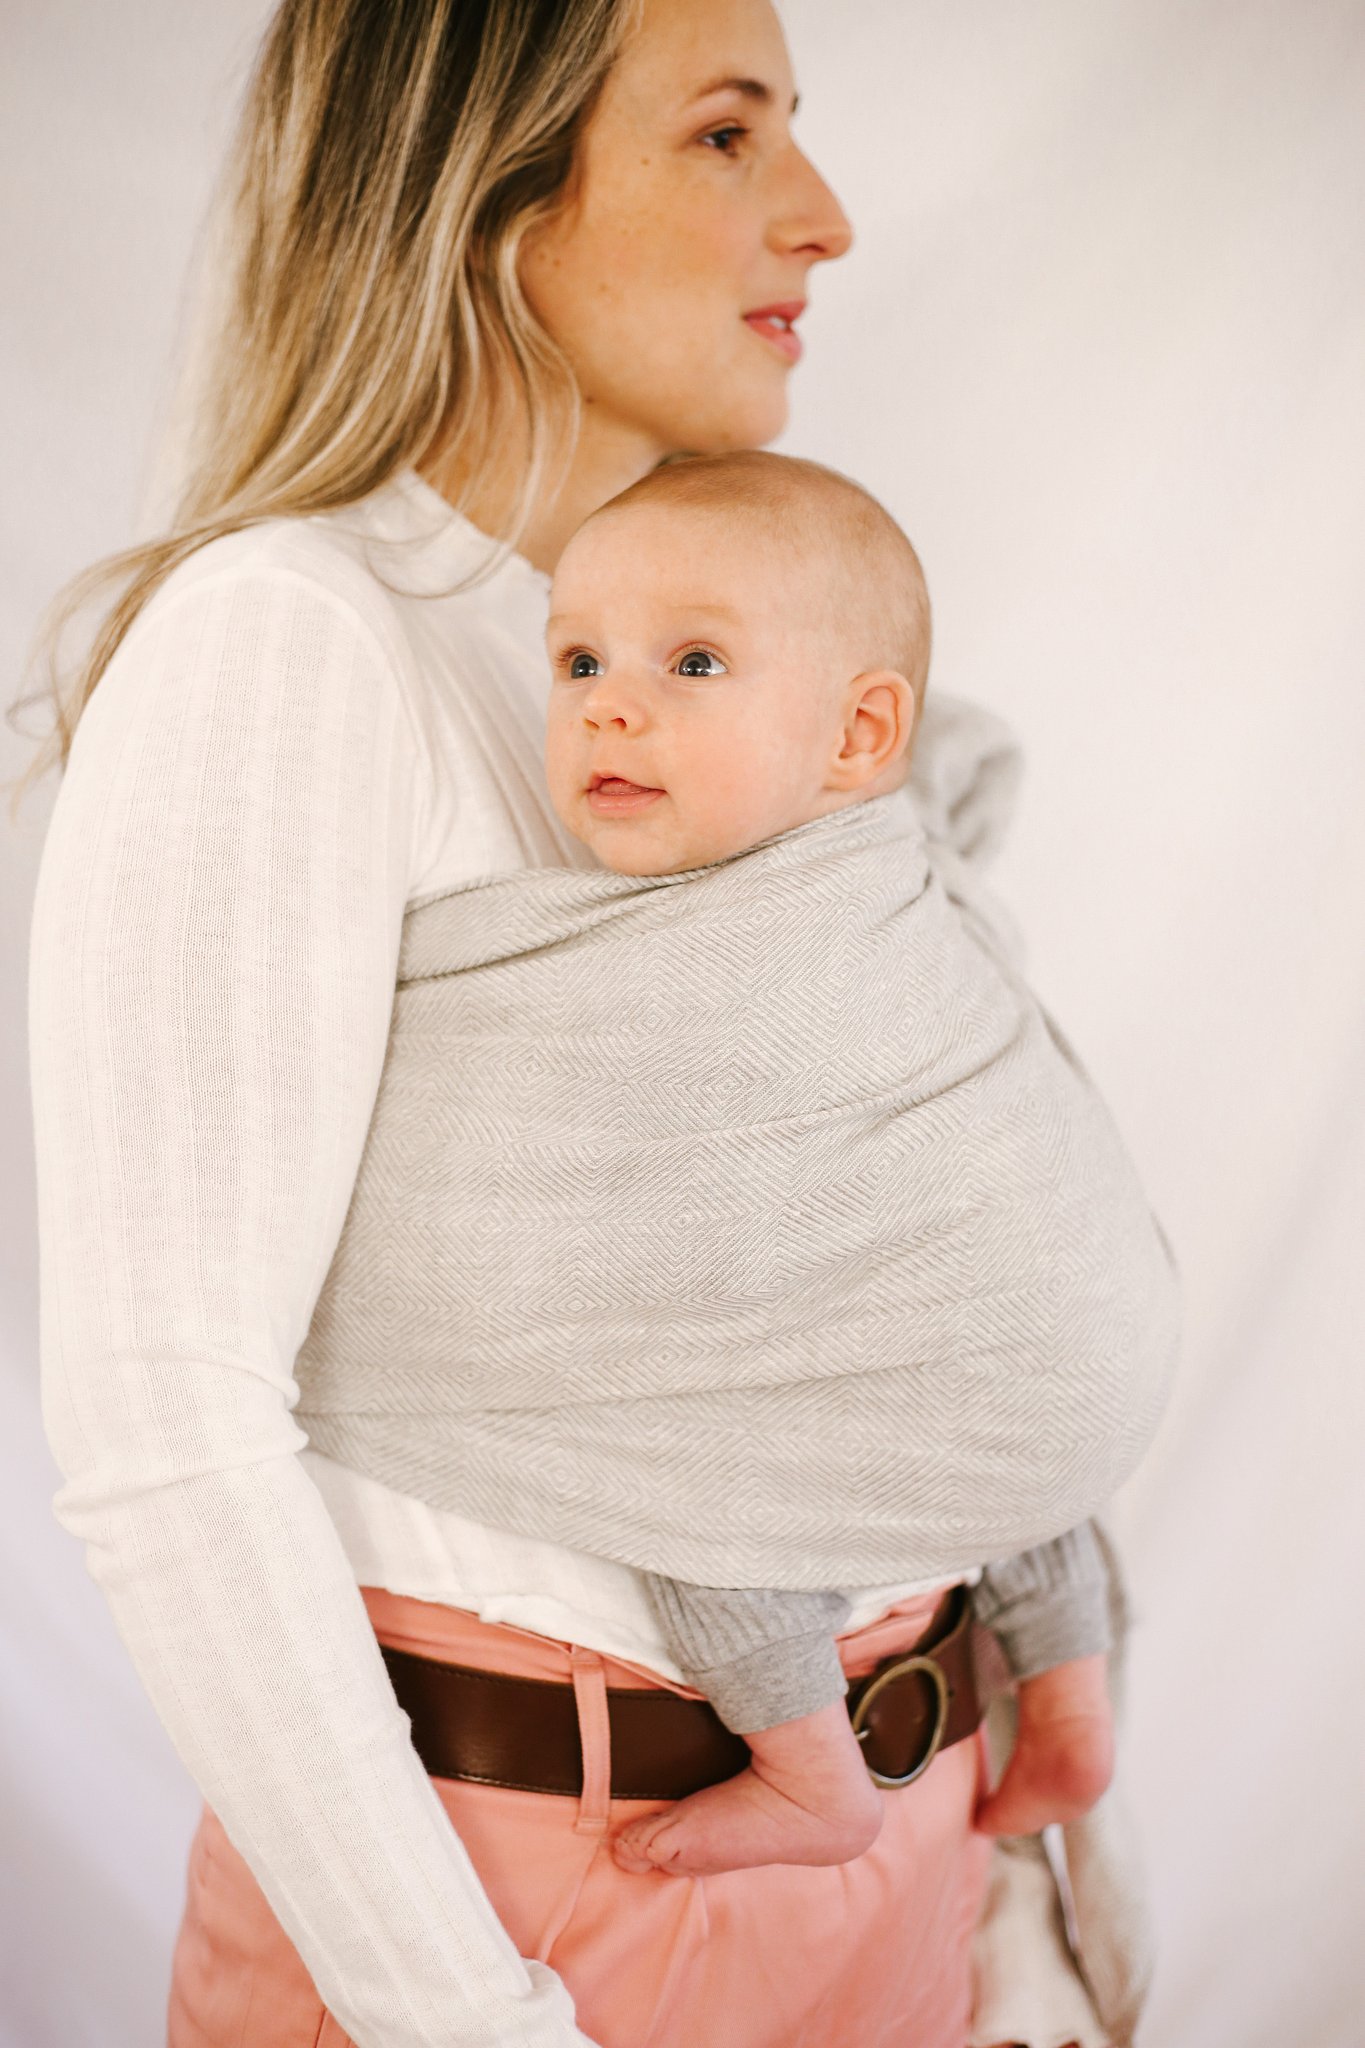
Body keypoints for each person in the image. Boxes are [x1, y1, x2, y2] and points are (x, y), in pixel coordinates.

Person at [19, 1, 1143, 2044]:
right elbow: (166, 1430)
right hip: (544, 1907)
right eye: (725, 136)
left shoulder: (743, 652)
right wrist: (471, 2018)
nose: (819, 215)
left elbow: (905, 1240)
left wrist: (984, 1871)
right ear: (481, 190)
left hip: (898, 1845)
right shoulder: (294, 643)